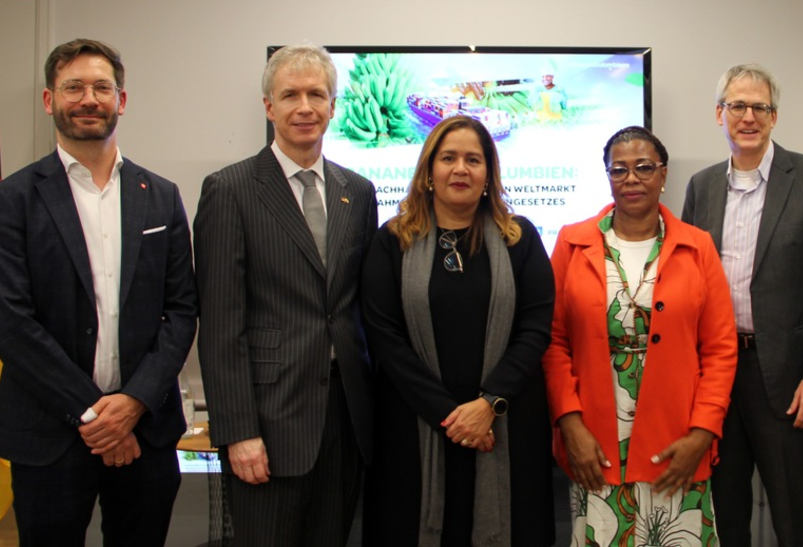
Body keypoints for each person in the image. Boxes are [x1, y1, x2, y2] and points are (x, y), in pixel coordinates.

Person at [0, 38, 198, 545]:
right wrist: (96, 416)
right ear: (50, 100)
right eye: (74, 88)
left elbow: (180, 311)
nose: (88, 99)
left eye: (101, 88)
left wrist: (132, 403)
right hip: (50, 435)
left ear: (121, 100)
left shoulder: (161, 196)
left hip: (145, 429)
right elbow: (12, 322)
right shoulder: (13, 198)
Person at [194, 44, 378, 546]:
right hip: (268, 423)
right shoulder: (230, 189)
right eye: (290, 95)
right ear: (268, 106)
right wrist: (238, 432)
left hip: (345, 417)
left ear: (333, 106)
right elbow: (221, 325)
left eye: (316, 95)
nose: (305, 107)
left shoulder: (358, 191)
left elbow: (357, 307)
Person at [359, 115, 556, 547]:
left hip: (504, 427)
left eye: (473, 159)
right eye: (448, 158)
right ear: (429, 171)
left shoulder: (520, 239)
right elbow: (384, 336)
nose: (460, 169)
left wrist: (488, 404)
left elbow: (535, 328)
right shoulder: (392, 241)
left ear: (488, 173)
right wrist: (452, 416)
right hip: (413, 429)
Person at [544, 125, 738, 546]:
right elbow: (554, 342)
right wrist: (569, 424)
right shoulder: (572, 243)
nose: (631, 178)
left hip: (678, 440)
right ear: (608, 177)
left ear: (663, 174)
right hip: (595, 441)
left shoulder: (698, 246)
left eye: (644, 167)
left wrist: (702, 433)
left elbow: (720, 351)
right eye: (619, 169)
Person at [682, 63, 803, 546]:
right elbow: (688, 284)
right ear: (720, 114)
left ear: (774, 116)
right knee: (724, 512)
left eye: (760, 107)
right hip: (717, 374)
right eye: (737, 106)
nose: (748, 117)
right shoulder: (702, 186)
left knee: (794, 518)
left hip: (786, 377)